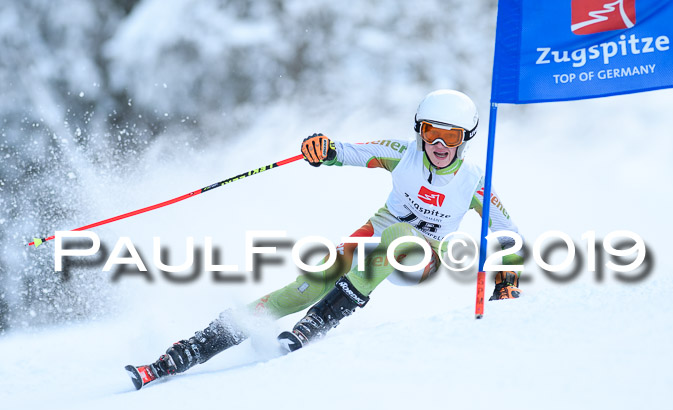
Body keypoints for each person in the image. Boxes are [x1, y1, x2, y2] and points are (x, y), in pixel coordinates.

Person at [125, 89, 524, 389]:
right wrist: (322, 149)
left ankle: (317, 323)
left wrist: (507, 283)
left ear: (465, 139)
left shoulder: (474, 181)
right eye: (431, 132)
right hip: (375, 234)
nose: (439, 145)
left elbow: (510, 234)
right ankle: (184, 353)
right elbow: (347, 152)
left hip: (423, 254)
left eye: (450, 137)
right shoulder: (400, 153)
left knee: (403, 236)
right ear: (419, 130)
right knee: (302, 287)